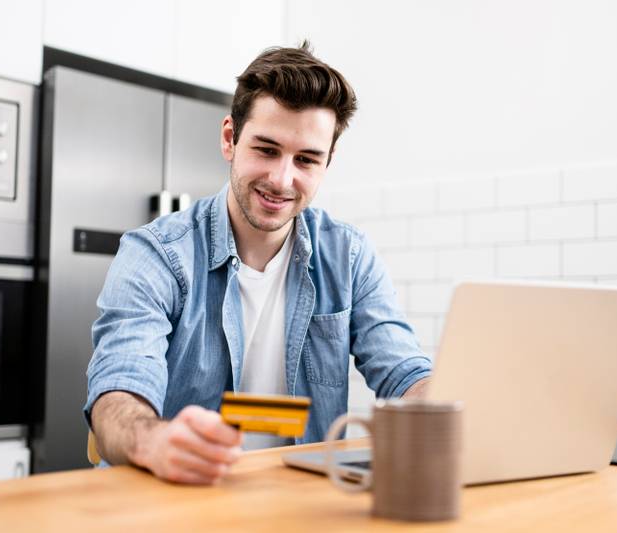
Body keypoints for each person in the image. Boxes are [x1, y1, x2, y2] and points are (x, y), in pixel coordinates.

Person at [85, 42, 432, 485]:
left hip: (297, 503)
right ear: (230, 138)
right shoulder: (157, 254)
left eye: (306, 159)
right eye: (266, 150)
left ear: (327, 162)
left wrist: (455, 408)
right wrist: (152, 440)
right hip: (174, 501)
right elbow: (119, 387)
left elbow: (404, 373)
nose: (282, 180)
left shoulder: (349, 256)